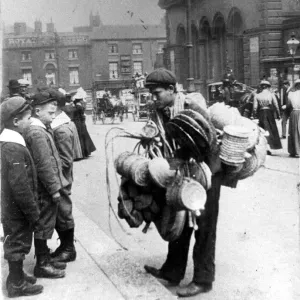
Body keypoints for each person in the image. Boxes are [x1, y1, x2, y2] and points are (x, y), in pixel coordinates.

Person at [143, 68, 223, 297]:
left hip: (205, 173)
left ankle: (203, 279)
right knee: (180, 221)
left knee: (204, 226)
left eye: (156, 93)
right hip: (182, 172)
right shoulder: (161, 112)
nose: (153, 98)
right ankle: (172, 271)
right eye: (151, 93)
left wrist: (182, 156)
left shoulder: (191, 106)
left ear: (171, 89)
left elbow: (210, 141)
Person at [0, 97, 43, 297]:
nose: (31, 121)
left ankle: (15, 276)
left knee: (17, 239)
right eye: (28, 118)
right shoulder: (13, 147)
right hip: (17, 209)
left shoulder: (10, 142)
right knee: (18, 242)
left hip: (11, 207)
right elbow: (20, 186)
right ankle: (16, 284)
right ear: (16, 121)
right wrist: (33, 212)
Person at [23, 91, 68, 279]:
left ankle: (45, 257)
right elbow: (44, 165)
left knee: (46, 222)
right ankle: (42, 263)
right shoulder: (37, 132)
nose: (53, 116)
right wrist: (54, 189)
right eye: (50, 113)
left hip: (44, 187)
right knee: (43, 223)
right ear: (37, 110)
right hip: (44, 190)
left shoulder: (40, 129)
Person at [50, 89, 77, 262]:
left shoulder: (60, 129)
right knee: (60, 210)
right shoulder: (61, 124)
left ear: (54, 106)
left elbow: (66, 160)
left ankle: (69, 248)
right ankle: (64, 246)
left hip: (61, 178)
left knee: (63, 211)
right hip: (61, 177)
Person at [253, 80, 282, 155]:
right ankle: (270, 146)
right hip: (269, 113)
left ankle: (265, 148)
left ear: (262, 87)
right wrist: (278, 114)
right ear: (268, 87)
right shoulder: (271, 94)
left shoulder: (257, 95)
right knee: (271, 130)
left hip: (261, 113)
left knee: (263, 130)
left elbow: (255, 107)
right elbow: (276, 105)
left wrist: (254, 115)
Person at [286, 79, 300, 157]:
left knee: (294, 132)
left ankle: (295, 150)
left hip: (294, 112)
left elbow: (288, 106)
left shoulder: (291, 94)